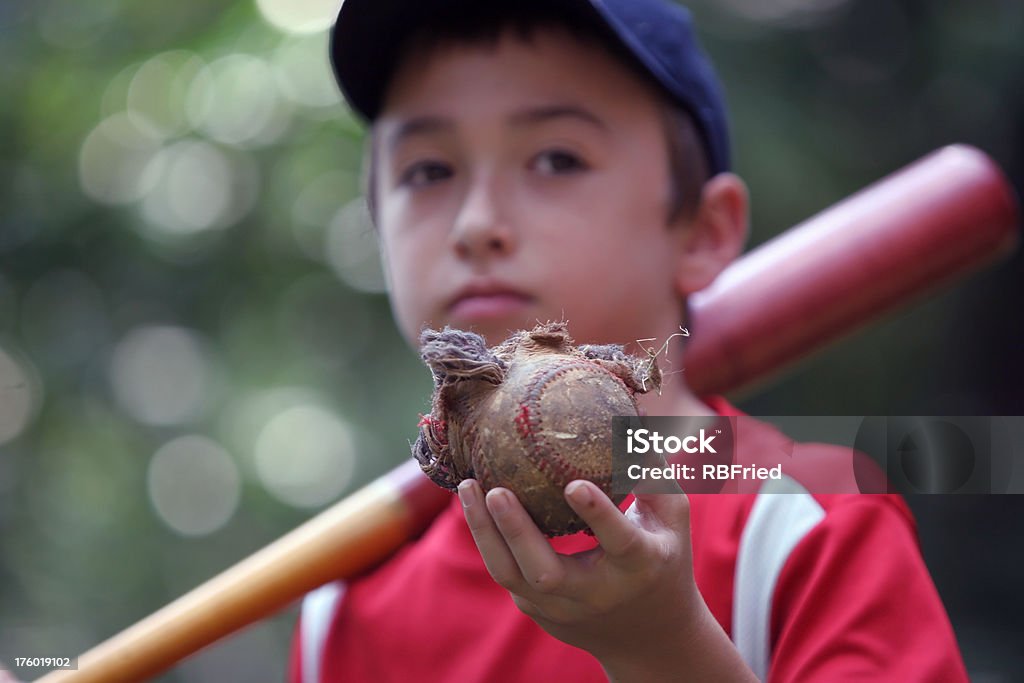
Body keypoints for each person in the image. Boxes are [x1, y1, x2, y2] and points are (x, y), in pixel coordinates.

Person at [290, 0, 969, 680]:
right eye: (428, 172)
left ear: (703, 231)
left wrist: (662, 647)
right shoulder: (342, 614)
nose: (475, 222)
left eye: (556, 159)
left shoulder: (810, 523)